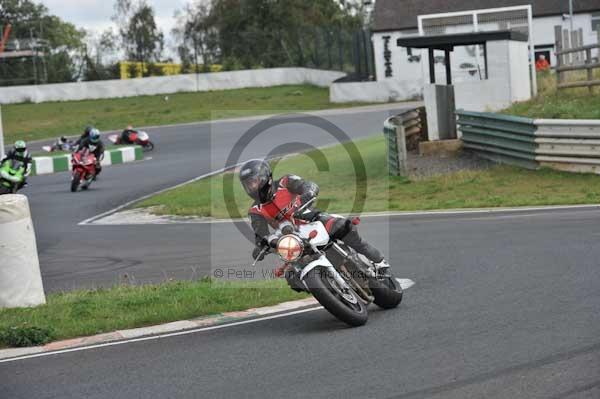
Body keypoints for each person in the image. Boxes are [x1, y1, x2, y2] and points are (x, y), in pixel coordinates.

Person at [240, 159, 390, 281]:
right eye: (247, 185)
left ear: (265, 177)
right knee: (292, 276)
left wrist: (309, 192)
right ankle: (324, 287)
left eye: (253, 181)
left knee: (343, 228)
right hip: (291, 239)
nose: (251, 187)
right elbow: (261, 234)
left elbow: (307, 186)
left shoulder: (285, 182)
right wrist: (262, 245)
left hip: (311, 220)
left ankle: (379, 262)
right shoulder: (255, 211)